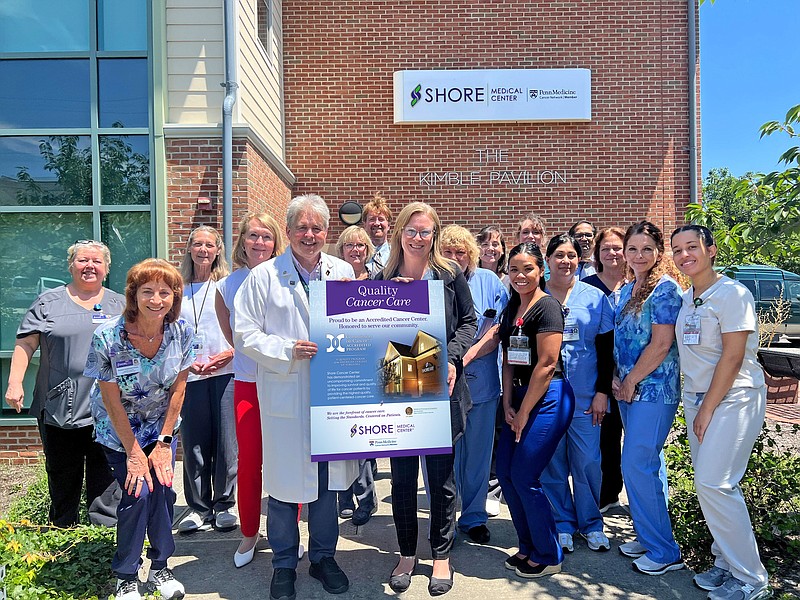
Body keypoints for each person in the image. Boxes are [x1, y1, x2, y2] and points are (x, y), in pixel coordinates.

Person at [234, 194, 359, 600]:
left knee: (326, 485)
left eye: (317, 228)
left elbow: (364, 323)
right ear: (287, 232)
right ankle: (284, 565)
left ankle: (323, 558)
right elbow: (246, 334)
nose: (310, 235)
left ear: (327, 232)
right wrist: (287, 350)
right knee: (286, 489)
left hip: (332, 393)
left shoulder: (342, 271)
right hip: (285, 394)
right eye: (302, 227)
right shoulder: (263, 276)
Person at [374, 203, 476, 596]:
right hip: (397, 385)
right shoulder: (383, 277)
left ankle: (442, 556)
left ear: (435, 235)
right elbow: (362, 331)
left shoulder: (449, 275)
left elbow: (469, 323)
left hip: (442, 389)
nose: (419, 238)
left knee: (441, 480)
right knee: (401, 479)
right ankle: (405, 554)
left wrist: (451, 357)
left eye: (426, 232)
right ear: (400, 232)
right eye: (412, 231)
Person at [84, 258, 194, 600]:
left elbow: (179, 388)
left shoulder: (183, 332)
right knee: (137, 493)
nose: (156, 299)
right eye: (148, 291)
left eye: (165, 292)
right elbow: (111, 399)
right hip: (119, 429)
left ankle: (161, 567)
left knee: (162, 491)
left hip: (161, 427)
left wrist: (163, 443)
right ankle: (126, 574)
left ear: (174, 296)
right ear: (134, 295)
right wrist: (134, 452)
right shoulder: (108, 336)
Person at [671, 225, 770, 600]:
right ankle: (725, 563)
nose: (684, 255)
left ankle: (752, 579)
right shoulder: (687, 298)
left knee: (716, 483)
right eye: (677, 250)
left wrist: (707, 408)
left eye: (692, 247)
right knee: (712, 485)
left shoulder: (732, 294)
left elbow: (732, 357)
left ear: (711, 250)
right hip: (699, 399)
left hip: (734, 398)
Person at [4, 240, 123, 527]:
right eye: (82, 260)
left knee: (106, 480)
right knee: (63, 478)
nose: (89, 266)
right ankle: (62, 538)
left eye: (96, 261)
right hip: (58, 406)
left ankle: (102, 543)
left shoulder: (120, 304)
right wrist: (15, 382)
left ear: (106, 268)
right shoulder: (48, 302)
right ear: (71, 266)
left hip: (108, 408)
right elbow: (26, 342)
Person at [497, 242, 574, 579]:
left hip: (548, 397)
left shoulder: (548, 308)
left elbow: (546, 364)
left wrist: (525, 410)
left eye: (527, 268)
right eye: (514, 269)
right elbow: (510, 357)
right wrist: (507, 404)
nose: (520, 275)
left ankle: (549, 553)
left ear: (540, 270)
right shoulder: (514, 306)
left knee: (526, 476)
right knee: (506, 472)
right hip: (519, 398)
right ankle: (527, 546)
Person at [612, 220, 684, 576]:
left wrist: (631, 380)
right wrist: (617, 377)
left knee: (636, 465)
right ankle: (648, 534)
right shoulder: (628, 289)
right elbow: (619, 341)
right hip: (628, 389)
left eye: (646, 249)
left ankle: (665, 551)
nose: (639, 255)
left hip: (654, 390)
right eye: (633, 249)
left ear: (659, 253)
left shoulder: (665, 289)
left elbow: (661, 344)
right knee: (644, 467)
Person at [216, 213, 285, 566]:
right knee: (250, 463)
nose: (260, 243)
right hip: (247, 384)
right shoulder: (227, 285)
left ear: (276, 242)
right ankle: (248, 534)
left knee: (287, 459)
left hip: (286, 383)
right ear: (242, 241)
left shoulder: (287, 277)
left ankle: (285, 534)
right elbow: (235, 339)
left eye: (266, 237)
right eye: (253, 236)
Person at [540, 235, 614, 554]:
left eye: (571, 255)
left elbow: (606, 347)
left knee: (587, 461)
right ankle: (562, 524)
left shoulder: (595, 297)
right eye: (559, 255)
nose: (565, 261)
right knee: (552, 462)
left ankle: (592, 523)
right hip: (546, 397)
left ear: (579, 260)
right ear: (547, 259)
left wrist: (602, 393)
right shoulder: (534, 296)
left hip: (586, 396)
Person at [440, 225, 509, 545]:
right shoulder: (428, 282)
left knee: (479, 454)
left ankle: (474, 516)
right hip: (437, 382)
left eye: (461, 253)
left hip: (481, 381)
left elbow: (498, 330)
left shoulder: (490, 281)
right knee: (443, 455)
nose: (455, 259)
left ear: (472, 254)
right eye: (448, 252)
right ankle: (444, 519)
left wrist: (462, 360)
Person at [177, 226, 237, 533]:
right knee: (194, 443)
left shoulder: (226, 286)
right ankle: (198, 507)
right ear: (189, 249)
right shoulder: (178, 288)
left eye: (209, 245)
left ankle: (225, 504)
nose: (203, 250)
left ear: (217, 251)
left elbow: (241, 329)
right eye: (197, 244)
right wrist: (188, 362)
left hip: (226, 372)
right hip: (191, 377)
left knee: (227, 442)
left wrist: (229, 353)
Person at [334, 225, 378, 524]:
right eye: (349, 245)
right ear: (341, 250)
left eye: (361, 245)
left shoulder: (380, 280)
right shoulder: (331, 280)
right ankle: (344, 495)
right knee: (341, 437)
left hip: (370, 367)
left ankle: (366, 496)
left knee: (362, 440)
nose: (356, 249)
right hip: (338, 367)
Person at [583, 227, 627, 513]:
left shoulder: (637, 286)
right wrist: (607, 377)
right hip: (598, 375)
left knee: (634, 441)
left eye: (618, 247)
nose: (612, 253)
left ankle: (626, 494)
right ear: (597, 254)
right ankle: (606, 493)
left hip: (637, 376)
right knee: (604, 436)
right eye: (606, 248)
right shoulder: (587, 287)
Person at [363, 192, 392, 276]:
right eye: (372, 219)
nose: (376, 223)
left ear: (388, 225)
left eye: (381, 219)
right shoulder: (357, 253)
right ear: (365, 224)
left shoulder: (398, 254)